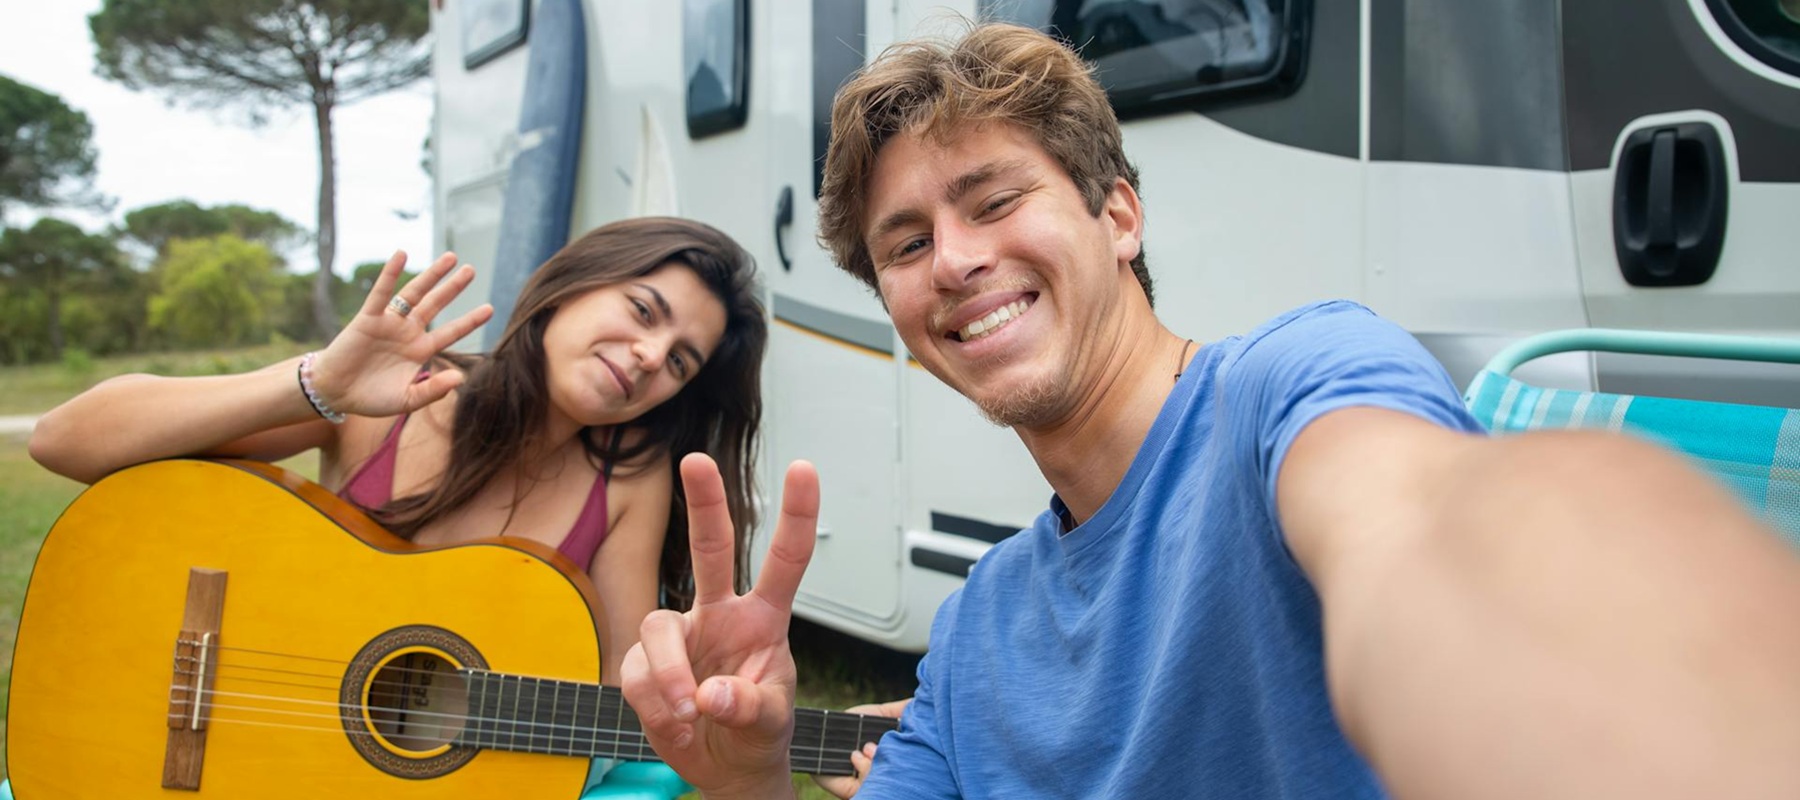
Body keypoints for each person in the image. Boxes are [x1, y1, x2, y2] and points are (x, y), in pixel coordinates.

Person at [618, 23, 1800, 800]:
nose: (957, 261)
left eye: (994, 200)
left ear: (1119, 216)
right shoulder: (977, 636)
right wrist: (750, 780)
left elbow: (1435, 538)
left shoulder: (1289, 388)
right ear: (907, 327)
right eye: (908, 245)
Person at [29, 216, 768, 684]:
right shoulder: (387, 401)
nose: (648, 356)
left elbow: (616, 679)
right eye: (643, 311)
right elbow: (63, 441)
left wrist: (709, 691)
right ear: (571, 286)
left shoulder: (628, 479)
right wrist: (319, 384)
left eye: (679, 362)